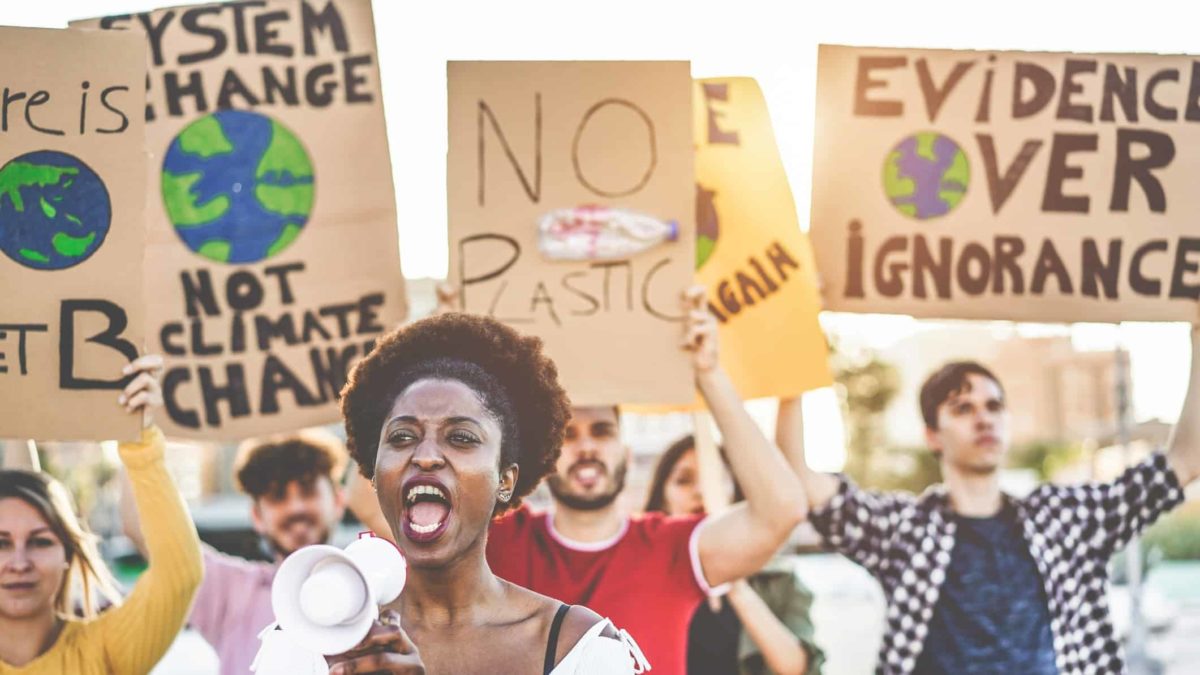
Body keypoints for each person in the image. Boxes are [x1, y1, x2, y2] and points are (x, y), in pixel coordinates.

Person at [785, 326, 1200, 674]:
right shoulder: (904, 530)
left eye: (994, 405)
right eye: (962, 408)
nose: (983, 417)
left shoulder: (1068, 520)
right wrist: (796, 340)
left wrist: (1198, 331)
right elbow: (799, 479)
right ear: (933, 435)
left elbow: (1186, 458)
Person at [479, 287, 807, 674]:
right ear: (544, 457)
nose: (586, 447)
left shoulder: (673, 548)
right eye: (567, 435)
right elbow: (393, 513)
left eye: (602, 431)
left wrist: (710, 375)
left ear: (627, 455)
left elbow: (783, 509)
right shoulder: (495, 540)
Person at [333, 312, 645, 673]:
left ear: (505, 481)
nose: (427, 456)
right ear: (374, 472)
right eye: (402, 437)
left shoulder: (577, 646)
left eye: (461, 438)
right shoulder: (320, 636)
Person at [0, 356, 203, 674]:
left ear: (68, 552)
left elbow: (180, 575)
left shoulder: (105, 650)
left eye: (40, 542)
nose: (19, 562)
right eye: (1, 543)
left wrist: (140, 436)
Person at [120, 426, 348, 675]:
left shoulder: (377, 581)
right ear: (257, 516)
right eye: (277, 496)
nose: (295, 507)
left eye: (308, 491)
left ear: (338, 500)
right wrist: (137, 424)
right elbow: (144, 529)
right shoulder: (232, 592)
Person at [644, 434, 824, 675]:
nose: (700, 492)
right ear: (662, 499)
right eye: (684, 480)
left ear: (736, 494)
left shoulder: (778, 580)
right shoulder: (638, 578)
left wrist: (734, 582)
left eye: (715, 479)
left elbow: (799, 670)